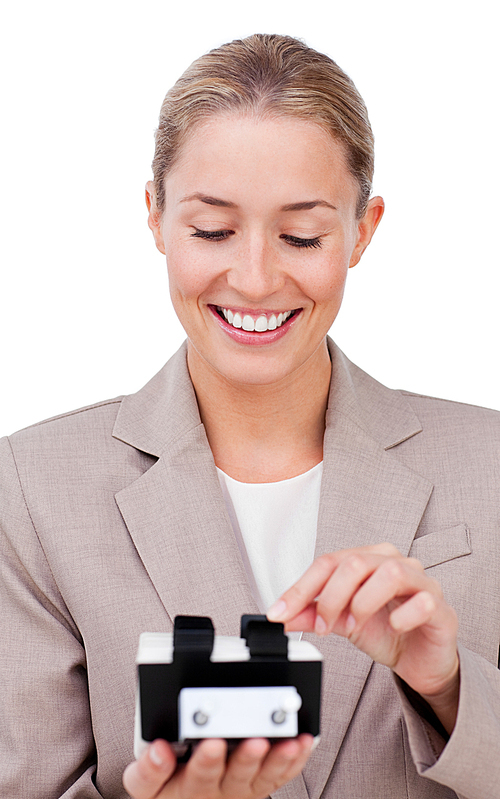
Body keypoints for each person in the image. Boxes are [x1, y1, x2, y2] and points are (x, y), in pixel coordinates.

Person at [1, 33, 499, 799]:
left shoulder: (489, 464)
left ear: (362, 232)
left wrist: (451, 686)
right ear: (154, 218)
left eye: (302, 234)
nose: (257, 277)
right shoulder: (34, 489)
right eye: (212, 230)